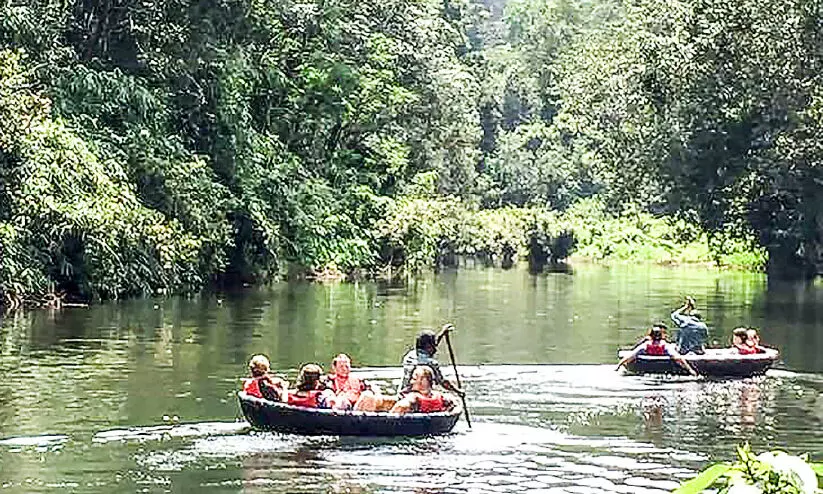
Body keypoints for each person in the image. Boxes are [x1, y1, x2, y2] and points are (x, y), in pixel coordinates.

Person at [400, 324, 463, 395]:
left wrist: (442, 334)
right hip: (420, 396)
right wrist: (458, 391)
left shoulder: (409, 356)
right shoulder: (431, 363)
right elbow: (443, 382)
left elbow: (429, 350)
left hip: (402, 394)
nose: (436, 349)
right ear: (429, 347)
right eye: (433, 345)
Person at [616, 324, 698, 376]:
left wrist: (618, 366)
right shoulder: (665, 346)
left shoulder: (645, 346)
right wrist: (690, 370)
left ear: (650, 336)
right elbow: (678, 358)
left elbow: (631, 356)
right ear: (661, 336)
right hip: (665, 367)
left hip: (647, 367)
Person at [390, 365, 455, 414]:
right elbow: (455, 404)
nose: (411, 382)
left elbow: (401, 406)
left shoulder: (413, 397)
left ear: (422, 382)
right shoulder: (441, 397)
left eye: (414, 379)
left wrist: (390, 414)